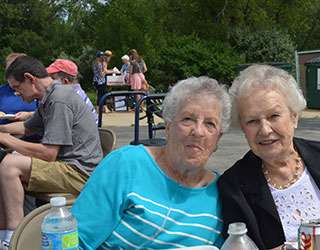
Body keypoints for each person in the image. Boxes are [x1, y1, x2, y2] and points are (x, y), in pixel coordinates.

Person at [71, 76, 232, 249]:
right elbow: (76, 242)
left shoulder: (222, 193)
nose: (198, 131)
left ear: (218, 138)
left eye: (210, 124)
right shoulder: (126, 164)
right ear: (168, 125)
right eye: (188, 119)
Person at [0, 56, 103, 249]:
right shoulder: (49, 97)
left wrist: (6, 140)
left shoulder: (59, 99)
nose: (17, 95)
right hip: (67, 168)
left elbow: (48, 154)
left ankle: (13, 239)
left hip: (80, 173)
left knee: (8, 165)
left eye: (16, 88)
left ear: (30, 79)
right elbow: (26, 128)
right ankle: (4, 234)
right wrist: (2, 131)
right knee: (3, 164)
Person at [218, 64, 320, 250]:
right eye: (252, 121)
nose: (265, 130)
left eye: (274, 115)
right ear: (243, 128)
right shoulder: (233, 186)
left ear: (294, 117)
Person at [46, 59, 98, 125]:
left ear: (65, 82)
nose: (49, 83)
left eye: (52, 79)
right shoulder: (77, 93)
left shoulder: (69, 100)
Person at [0, 53, 37, 125]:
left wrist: (29, 115)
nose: (9, 74)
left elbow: (48, 112)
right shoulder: (2, 90)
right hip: (5, 132)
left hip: (34, 134)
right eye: (8, 70)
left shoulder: (37, 90)